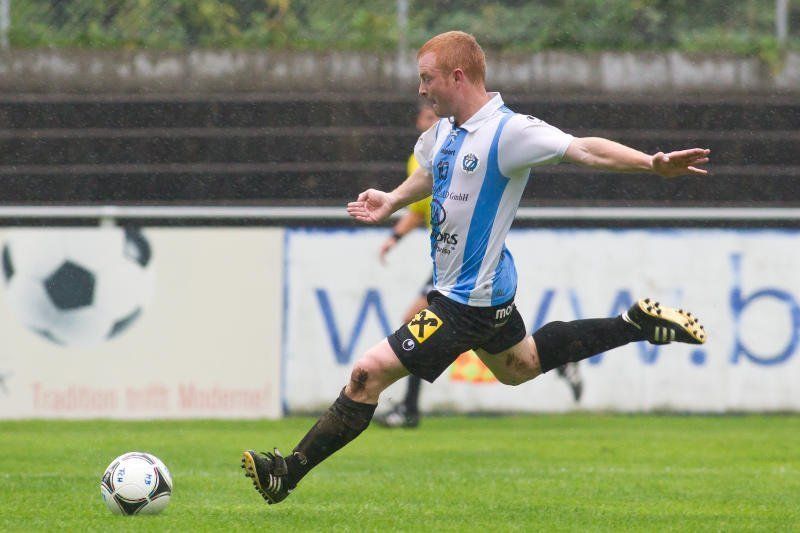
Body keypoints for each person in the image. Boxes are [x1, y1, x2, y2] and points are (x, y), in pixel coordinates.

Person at [241, 30, 710, 504]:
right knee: (521, 365)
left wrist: (651, 164)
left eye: (427, 78)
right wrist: (392, 199)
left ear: (457, 76)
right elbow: (431, 173)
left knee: (368, 372)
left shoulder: (510, 132)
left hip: (466, 302)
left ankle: (287, 473)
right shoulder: (443, 132)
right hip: (483, 293)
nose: (421, 89)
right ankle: (633, 324)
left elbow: (584, 148)